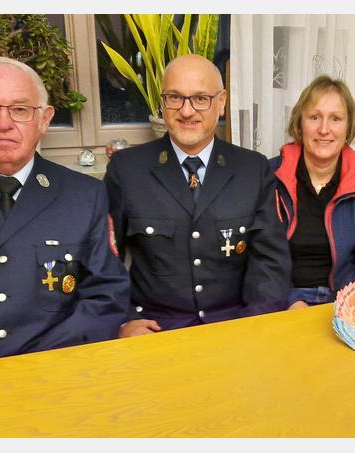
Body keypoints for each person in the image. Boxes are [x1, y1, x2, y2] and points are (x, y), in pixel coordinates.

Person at [0, 56, 130, 369]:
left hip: (55, 376)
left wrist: (39, 367)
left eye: (20, 109)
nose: (4, 123)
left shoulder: (84, 195)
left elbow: (106, 295)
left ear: (45, 119)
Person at [104, 54, 291, 336]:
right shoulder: (127, 170)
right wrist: (120, 322)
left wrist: (256, 323)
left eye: (201, 98)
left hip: (235, 326)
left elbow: (270, 262)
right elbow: (105, 260)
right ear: (162, 102)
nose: (187, 111)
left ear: (222, 101)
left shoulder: (253, 169)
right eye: (175, 97)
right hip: (156, 331)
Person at [270, 75, 355, 309]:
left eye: (335, 119)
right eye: (314, 117)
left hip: (348, 298)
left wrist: (346, 303)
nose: (324, 129)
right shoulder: (269, 175)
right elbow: (261, 259)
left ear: (348, 126)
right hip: (284, 300)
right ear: (300, 122)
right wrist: (291, 302)